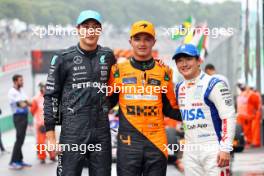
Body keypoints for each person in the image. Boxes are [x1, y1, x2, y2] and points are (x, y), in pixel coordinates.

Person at [44, 10, 116, 176]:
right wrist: (51, 137)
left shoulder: (108, 55)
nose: (90, 31)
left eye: (95, 27)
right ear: (78, 29)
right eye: (86, 27)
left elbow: (115, 88)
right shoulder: (62, 57)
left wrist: (104, 107)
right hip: (72, 132)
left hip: (101, 131)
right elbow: (50, 97)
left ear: (100, 30)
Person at [108, 20, 182, 176]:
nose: (142, 43)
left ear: (154, 42)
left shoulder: (164, 71)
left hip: (156, 143)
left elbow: (171, 108)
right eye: (137, 39)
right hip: (128, 142)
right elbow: (105, 103)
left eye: (147, 39)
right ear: (130, 41)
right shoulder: (118, 70)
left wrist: (201, 113)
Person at [172, 44, 236, 176]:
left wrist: (225, 148)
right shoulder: (179, 87)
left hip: (213, 147)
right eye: (179, 60)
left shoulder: (214, 84)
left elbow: (228, 116)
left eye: (188, 59)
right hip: (190, 149)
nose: (184, 64)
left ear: (199, 61)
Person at [8, 74, 32, 169]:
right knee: (19, 139)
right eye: (20, 80)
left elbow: (29, 103)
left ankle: (19, 160)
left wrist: (25, 102)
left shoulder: (21, 90)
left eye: (22, 80)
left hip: (24, 116)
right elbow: (22, 104)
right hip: (18, 117)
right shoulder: (12, 92)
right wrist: (25, 102)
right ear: (15, 81)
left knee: (21, 139)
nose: (22, 82)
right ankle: (13, 162)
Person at [31, 82, 56, 163]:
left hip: (50, 123)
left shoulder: (51, 97)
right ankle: (42, 157)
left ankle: (52, 156)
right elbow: (32, 111)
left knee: (51, 140)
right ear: (41, 88)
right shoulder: (36, 99)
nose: (46, 89)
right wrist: (39, 121)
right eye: (44, 87)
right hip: (41, 124)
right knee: (41, 142)